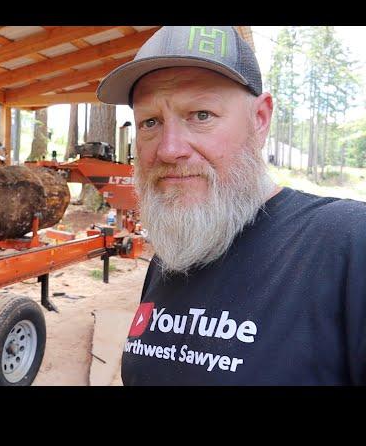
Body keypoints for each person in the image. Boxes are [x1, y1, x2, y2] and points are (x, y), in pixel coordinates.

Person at [96, 26, 366, 385]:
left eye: (201, 115)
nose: (168, 148)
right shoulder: (174, 252)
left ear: (260, 119)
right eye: (150, 122)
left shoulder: (349, 242)